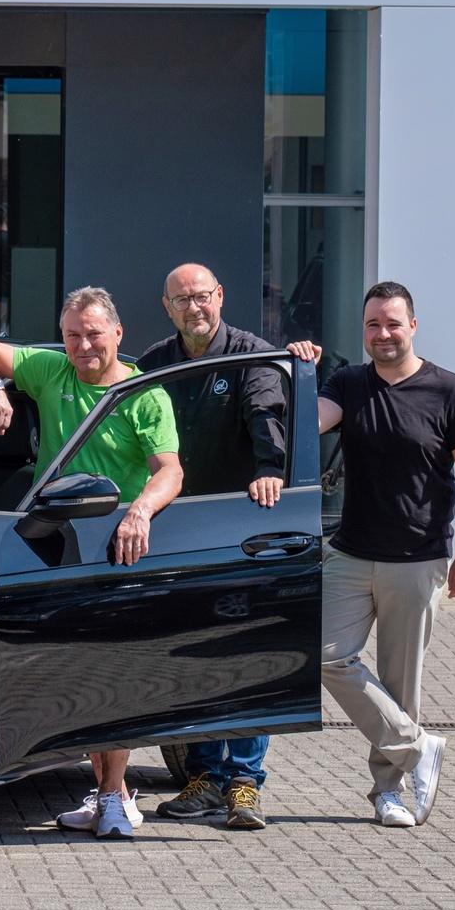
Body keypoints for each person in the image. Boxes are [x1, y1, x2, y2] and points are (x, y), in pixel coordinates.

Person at [0, 285, 183, 840]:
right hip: (56, 543)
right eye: (72, 335)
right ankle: (111, 794)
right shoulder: (51, 371)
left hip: (117, 547)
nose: (83, 345)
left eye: (93, 334)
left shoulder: (144, 394)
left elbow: (171, 473)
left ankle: (111, 796)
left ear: (118, 334)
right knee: (76, 667)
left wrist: (139, 515)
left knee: (109, 671)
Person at [138, 263, 318, 832]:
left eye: (203, 297)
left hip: (244, 530)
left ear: (221, 296)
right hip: (177, 534)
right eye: (182, 300)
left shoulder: (250, 356)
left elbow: (266, 415)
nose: (195, 308)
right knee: (192, 657)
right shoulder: (154, 363)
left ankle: (244, 784)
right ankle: (203, 779)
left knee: (244, 658)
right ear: (167, 306)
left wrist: (270, 471)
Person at [317, 281, 455, 828]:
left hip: (416, 558)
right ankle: (418, 746)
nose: (383, 334)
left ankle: (388, 792)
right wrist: (300, 368)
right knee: (323, 654)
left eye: (393, 323)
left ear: (413, 325)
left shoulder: (449, 391)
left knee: (398, 680)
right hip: (348, 553)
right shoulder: (348, 383)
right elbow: (305, 421)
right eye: (373, 325)